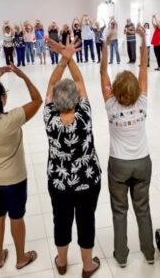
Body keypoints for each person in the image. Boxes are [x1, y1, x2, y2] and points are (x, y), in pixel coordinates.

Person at [0, 65, 42, 269]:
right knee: (17, 217)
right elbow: (37, 100)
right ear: (3, 98)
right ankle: (21, 257)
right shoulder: (12, 119)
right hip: (14, 178)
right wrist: (23, 76)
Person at [45, 38, 102, 278]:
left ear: (56, 101)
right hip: (87, 181)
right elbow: (79, 80)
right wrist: (70, 56)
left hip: (58, 182)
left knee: (61, 219)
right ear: (77, 100)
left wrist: (62, 58)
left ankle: (61, 261)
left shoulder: (49, 116)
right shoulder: (84, 115)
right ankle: (88, 266)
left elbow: (51, 84)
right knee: (86, 219)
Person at [100, 25, 155, 267]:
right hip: (143, 162)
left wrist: (105, 45)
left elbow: (102, 73)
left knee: (119, 211)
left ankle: (121, 256)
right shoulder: (142, 101)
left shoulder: (111, 104)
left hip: (119, 164)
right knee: (143, 208)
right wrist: (143, 42)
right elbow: (143, 69)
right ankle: (149, 252)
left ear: (116, 90)